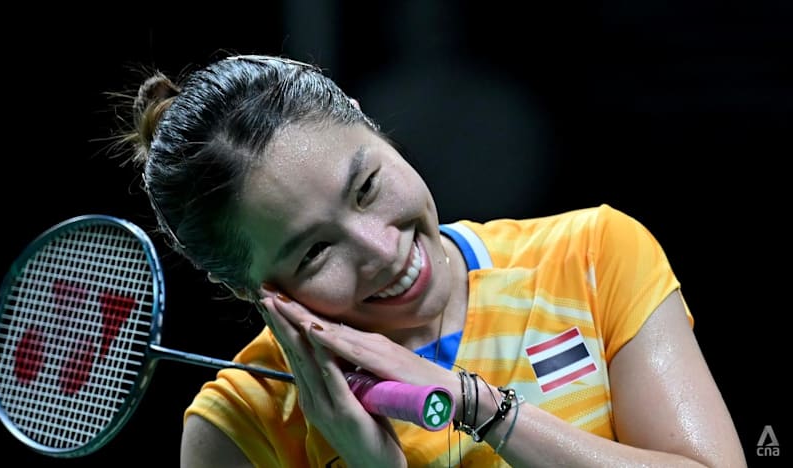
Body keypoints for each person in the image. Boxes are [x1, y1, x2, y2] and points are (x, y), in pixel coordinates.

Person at [116, 53, 746, 467]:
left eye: (366, 187)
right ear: (249, 288)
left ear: (371, 125)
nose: (382, 250)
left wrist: (480, 410)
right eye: (315, 252)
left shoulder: (592, 254)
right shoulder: (242, 427)